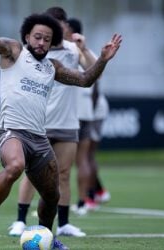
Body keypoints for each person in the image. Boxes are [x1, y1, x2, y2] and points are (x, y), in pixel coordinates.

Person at [0, 7, 121, 250]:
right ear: (27, 37)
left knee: (52, 195)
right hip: (11, 130)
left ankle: (46, 235)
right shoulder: (13, 51)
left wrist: (102, 60)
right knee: (15, 166)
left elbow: (85, 80)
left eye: (47, 39)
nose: (42, 42)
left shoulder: (51, 67)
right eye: (37, 36)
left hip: (38, 136)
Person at [8, 7, 97, 238]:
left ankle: (64, 223)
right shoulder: (35, 51)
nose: (57, 29)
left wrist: (84, 48)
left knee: (64, 174)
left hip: (67, 122)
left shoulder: (72, 49)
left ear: (64, 27)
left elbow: (92, 70)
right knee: (31, 173)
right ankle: (19, 220)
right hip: (39, 123)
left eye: (60, 24)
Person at [66, 18, 111, 215]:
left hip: (77, 112)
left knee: (78, 159)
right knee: (83, 158)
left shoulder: (72, 49)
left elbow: (96, 78)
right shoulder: (81, 50)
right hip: (84, 111)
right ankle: (87, 199)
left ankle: (86, 199)